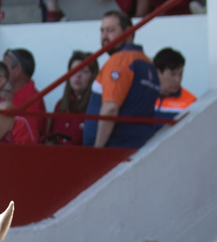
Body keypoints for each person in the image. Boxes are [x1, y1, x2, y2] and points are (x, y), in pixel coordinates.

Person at [93, 10, 160, 150]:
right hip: (140, 146)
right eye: (102, 31)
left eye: (110, 30)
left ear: (128, 32)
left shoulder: (118, 61)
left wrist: (97, 148)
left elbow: (110, 108)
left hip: (114, 149)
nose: (104, 36)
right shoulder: (148, 63)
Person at [45, 51, 98, 146]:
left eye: (84, 71)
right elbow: (50, 139)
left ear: (93, 76)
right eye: (74, 70)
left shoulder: (96, 106)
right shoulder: (60, 105)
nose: (78, 75)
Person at [3, 48, 43, 141]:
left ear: (17, 70)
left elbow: (30, 139)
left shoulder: (32, 98)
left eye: (5, 68)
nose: (2, 72)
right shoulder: (11, 94)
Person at [153, 47, 195, 118]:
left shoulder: (191, 102)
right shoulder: (143, 97)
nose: (177, 80)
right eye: (172, 74)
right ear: (157, 72)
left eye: (180, 74)